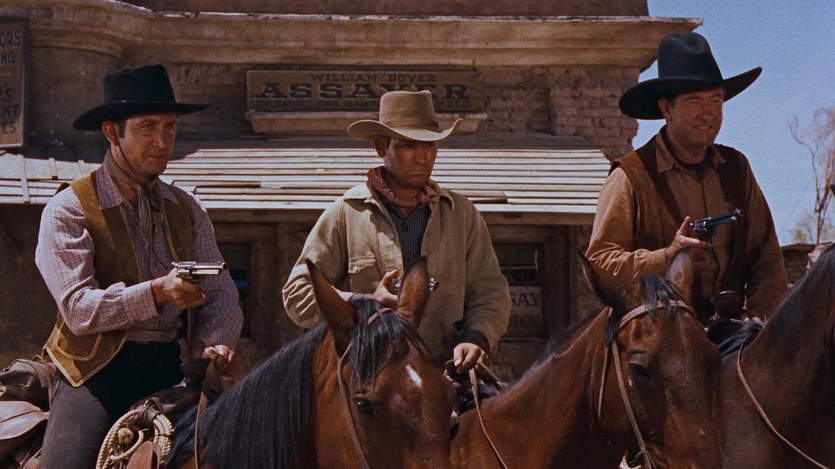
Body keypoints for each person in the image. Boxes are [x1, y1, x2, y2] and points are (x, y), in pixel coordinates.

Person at [35, 64, 243, 468]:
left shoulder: (188, 210)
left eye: (169, 127)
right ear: (112, 133)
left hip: (171, 368)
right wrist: (156, 292)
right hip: (94, 374)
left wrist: (218, 342)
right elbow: (78, 309)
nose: (162, 141)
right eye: (148, 127)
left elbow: (222, 295)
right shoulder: (69, 209)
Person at [282, 90, 511, 372]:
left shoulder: (461, 215)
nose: (422, 157)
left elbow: (490, 292)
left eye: (430, 145)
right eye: (408, 145)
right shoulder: (346, 213)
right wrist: (362, 303)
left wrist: (476, 339)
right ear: (382, 146)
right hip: (366, 375)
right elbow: (297, 293)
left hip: (444, 371)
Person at [586, 32, 788, 323]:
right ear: (666, 108)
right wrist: (667, 258)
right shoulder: (630, 176)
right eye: (694, 102)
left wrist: (758, 319)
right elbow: (600, 264)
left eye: (716, 101)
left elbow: (767, 259)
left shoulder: (736, 168)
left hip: (732, 332)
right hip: (659, 334)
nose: (708, 114)